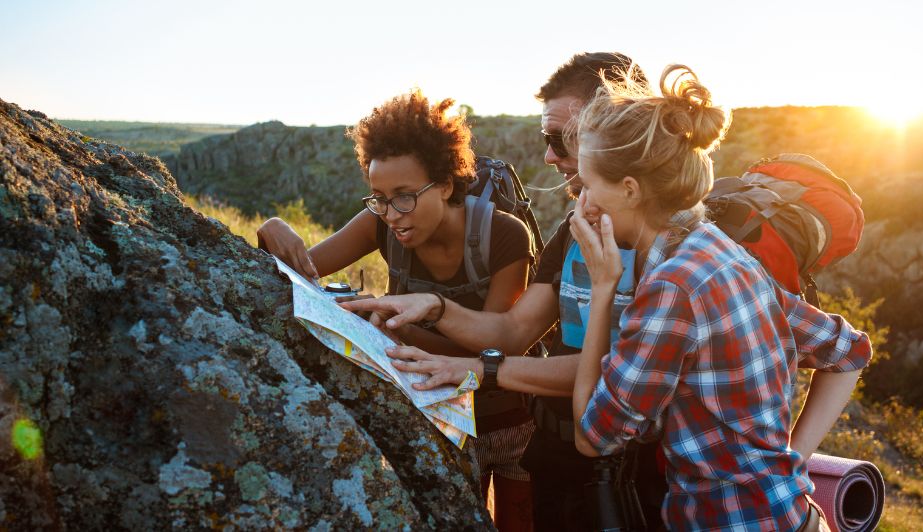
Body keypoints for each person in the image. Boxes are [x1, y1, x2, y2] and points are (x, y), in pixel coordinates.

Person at [343, 53, 664, 531]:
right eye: (546, 139)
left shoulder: (674, 248)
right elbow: (513, 330)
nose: (549, 156)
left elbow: (618, 371)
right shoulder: (571, 235)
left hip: (643, 472)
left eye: (564, 140)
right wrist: (434, 308)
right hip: (557, 455)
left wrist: (479, 369)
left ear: (620, 136)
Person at [566, 64, 871, 530]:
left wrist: (604, 286)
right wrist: (790, 460)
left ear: (629, 190)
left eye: (587, 185)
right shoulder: (720, 250)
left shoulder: (673, 286)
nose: (582, 202)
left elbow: (593, 437)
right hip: (792, 515)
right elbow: (848, 350)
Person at [256, 91, 535, 531]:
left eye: (405, 196)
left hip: (508, 422)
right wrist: (273, 229)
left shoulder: (504, 237)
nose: (391, 213)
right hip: (435, 417)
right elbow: (303, 269)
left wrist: (393, 325)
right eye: (378, 197)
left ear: (445, 183)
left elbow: (495, 345)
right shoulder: (380, 224)